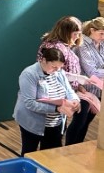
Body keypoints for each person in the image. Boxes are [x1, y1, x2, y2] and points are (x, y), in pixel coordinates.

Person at [36, 16, 95, 145]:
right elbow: (55, 73)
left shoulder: (64, 45)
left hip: (66, 93)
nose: (77, 37)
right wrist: (78, 79)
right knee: (51, 138)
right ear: (65, 32)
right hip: (54, 96)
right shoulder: (54, 47)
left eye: (79, 34)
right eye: (75, 34)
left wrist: (78, 86)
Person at [15, 47, 79, 155]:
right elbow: (30, 103)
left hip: (55, 123)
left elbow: (69, 90)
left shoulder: (59, 72)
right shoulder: (29, 74)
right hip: (33, 123)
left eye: (59, 67)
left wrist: (75, 100)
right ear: (43, 60)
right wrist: (56, 109)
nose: (57, 70)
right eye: (54, 67)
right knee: (30, 153)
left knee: (51, 156)